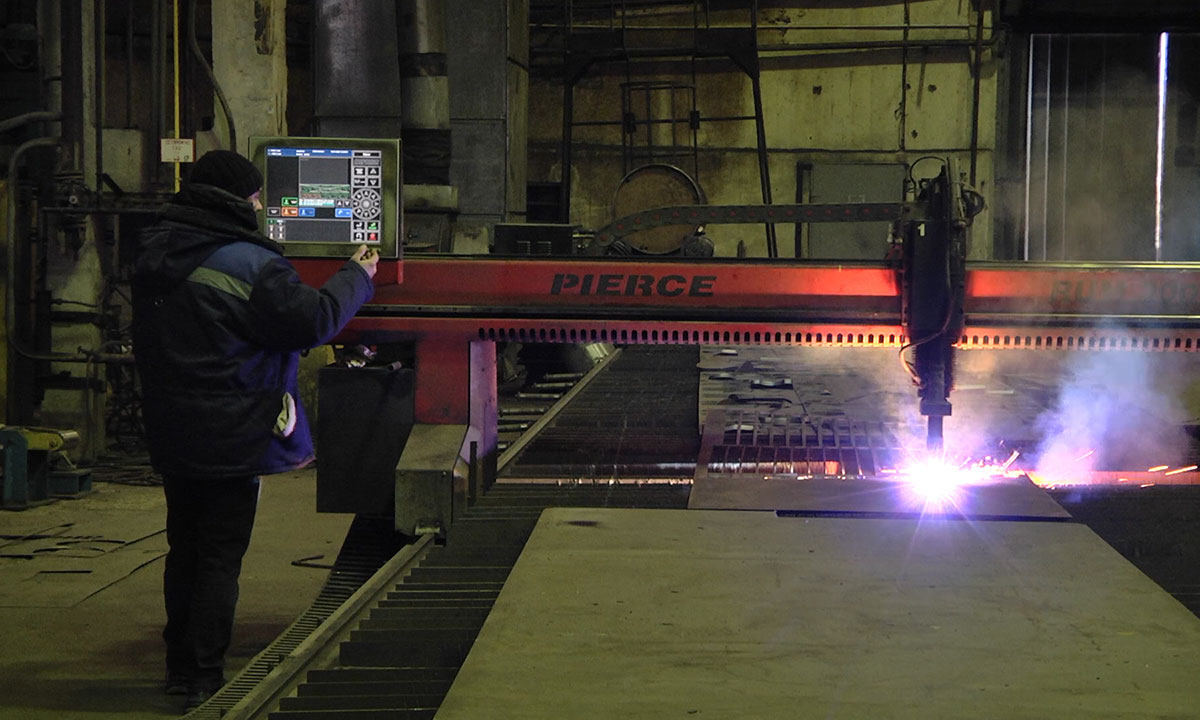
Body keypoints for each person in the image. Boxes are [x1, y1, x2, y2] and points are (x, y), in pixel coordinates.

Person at [131, 149, 378, 711]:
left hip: (173, 426)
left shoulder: (154, 250)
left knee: (185, 548)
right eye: (258, 196)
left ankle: (180, 668)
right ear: (239, 201)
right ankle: (202, 676)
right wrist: (356, 275)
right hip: (231, 430)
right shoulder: (249, 263)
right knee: (219, 554)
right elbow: (313, 321)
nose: (263, 205)